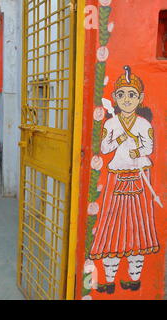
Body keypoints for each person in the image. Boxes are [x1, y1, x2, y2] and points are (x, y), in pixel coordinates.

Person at [89, 66, 159, 294]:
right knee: (113, 228)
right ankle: (109, 279)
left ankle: (134, 278)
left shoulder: (143, 124)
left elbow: (149, 147)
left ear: (140, 98)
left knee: (138, 229)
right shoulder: (111, 123)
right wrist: (119, 138)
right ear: (115, 98)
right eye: (121, 94)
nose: (126, 99)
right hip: (117, 177)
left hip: (138, 178)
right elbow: (104, 147)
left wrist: (136, 151)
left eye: (131, 94)